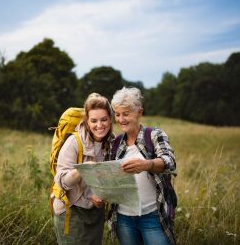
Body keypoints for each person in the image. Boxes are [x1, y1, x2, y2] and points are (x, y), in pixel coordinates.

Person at [110, 87, 176, 245]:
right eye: (117, 114)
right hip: (123, 218)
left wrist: (147, 164)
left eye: (126, 114)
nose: (121, 119)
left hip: (153, 217)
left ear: (139, 112)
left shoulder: (154, 135)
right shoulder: (115, 143)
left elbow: (170, 161)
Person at [53, 93, 113, 245]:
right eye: (94, 120)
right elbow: (61, 182)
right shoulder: (74, 143)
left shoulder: (113, 142)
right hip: (72, 211)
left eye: (104, 119)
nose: (99, 125)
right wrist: (81, 170)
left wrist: (101, 196)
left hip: (95, 213)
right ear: (87, 120)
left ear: (110, 119)